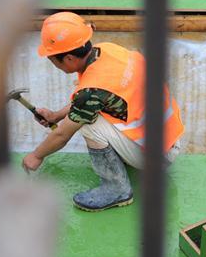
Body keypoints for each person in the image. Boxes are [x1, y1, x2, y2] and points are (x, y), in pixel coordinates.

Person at [21, 12, 184, 211]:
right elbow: (91, 99)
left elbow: (63, 134)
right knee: (90, 114)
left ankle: (117, 190)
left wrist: (37, 155)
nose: (52, 64)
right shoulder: (107, 50)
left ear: (69, 58)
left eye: (53, 60)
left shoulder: (91, 91)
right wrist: (56, 115)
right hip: (170, 138)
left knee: (89, 125)